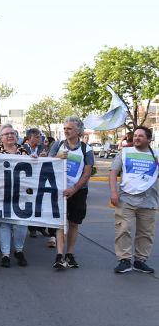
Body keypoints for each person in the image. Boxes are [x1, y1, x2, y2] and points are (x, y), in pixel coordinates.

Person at [110, 126, 158, 274]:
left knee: (146, 233)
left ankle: (140, 261)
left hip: (149, 200)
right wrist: (113, 192)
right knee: (123, 229)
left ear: (149, 139)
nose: (136, 138)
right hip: (126, 198)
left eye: (141, 136)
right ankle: (124, 260)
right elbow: (113, 173)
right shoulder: (125, 152)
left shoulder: (156, 155)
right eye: (135, 135)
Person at [48, 116, 94, 270]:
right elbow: (47, 164)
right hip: (59, 190)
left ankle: (70, 254)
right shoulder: (58, 145)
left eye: (69, 128)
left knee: (73, 223)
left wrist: (74, 189)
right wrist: (56, 158)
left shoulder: (86, 149)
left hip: (78, 191)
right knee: (60, 222)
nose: (66, 131)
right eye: (65, 128)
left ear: (78, 131)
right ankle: (59, 255)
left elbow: (87, 173)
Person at [0, 126, 30, 267]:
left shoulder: (23, 150)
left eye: (12, 133)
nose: (10, 136)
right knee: (4, 223)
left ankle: (19, 251)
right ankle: (5, 254)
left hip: (21, 192)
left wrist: (36, 159)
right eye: (6, 134)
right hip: (1, 191)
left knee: (21, 223)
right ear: (1, 137)